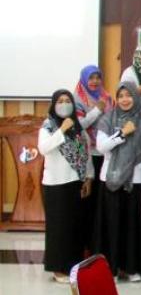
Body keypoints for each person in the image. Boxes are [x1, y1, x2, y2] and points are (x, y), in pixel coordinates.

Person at [38, 90, 94, 283]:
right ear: (53, 105)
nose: (64, 104)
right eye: (60, 101)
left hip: (75, 182)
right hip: (56, 184)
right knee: (58, 227)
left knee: (74, 226)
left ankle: (72, 265)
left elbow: (85, 154)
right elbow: (44, 148)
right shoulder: (48, 127)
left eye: (67, 101)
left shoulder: (78, 128)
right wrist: (61, 130)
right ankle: (57, 268)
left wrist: (88, 178)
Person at [95, 83, 141, 282]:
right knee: (113, 226)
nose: (125, 99)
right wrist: (122, 134)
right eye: (121, 96)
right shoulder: (107, 119)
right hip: (112, 179)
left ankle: (131, 268)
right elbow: (101, 147)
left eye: (129, 95)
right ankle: (113, 269)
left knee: (132, 226)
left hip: (136, 179)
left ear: (135, 97)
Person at [73, 65, 112, 253]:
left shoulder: (107, 97)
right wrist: (96, 111)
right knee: (88, 202)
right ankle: (86, 245)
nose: (95, 81)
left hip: (106, 154)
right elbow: (78, 125)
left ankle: (100, 244)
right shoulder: (77, 99)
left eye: (98, 77)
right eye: (91, 78)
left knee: (101, 204)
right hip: (87, 155)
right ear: (84, 79)